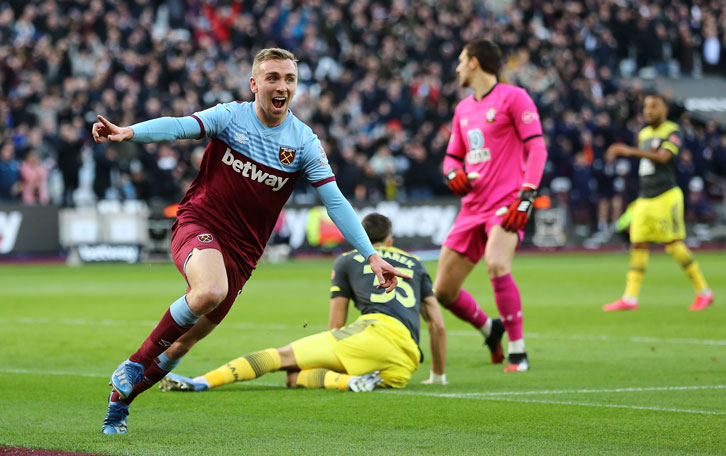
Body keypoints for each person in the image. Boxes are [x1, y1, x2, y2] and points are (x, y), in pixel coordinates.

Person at [92, 48, 409, 435]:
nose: (282, 86)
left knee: (180, 347)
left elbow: (335, 201)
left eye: (289, 79)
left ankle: (118, 406)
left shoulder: (304, 143)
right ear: (254, 84)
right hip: (199, 222)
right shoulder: (231, 117)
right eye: (273, 77)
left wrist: (372, 255)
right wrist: (129, 132)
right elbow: (178, 126)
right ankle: (136, 362)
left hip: (243, 256)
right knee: (209, 290)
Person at [159, 213, 447, 394]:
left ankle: (202, 382)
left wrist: (333, 345)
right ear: (391, 239)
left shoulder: (348, 259)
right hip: (406, 362)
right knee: (295, 378)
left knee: (280, 358)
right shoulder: (415, 263)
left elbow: (336, 326)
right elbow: (437, 324)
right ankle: (350, 382)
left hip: (374, 335)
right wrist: (437, 376)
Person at [436, 39, 548, 372]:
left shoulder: (514, 97)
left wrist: (526, 196)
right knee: (443, 290)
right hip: (471, 208)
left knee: (497, 264)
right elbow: (452, 157)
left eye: (459, 60)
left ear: (473, 62)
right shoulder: (463, 109)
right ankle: (490, 329)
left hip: (507, 203)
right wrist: (453, 173)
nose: (456, 68)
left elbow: (537, 149)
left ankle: (518, 351)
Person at [603, 93, 713, 312]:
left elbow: (664, 158)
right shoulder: (644, 133)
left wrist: (627, 151)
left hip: (666, 196)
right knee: (638, 245)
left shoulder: (672, 131)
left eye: (654, 106)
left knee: (673, 246)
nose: (648, 111)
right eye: (646, 107)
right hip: (645, 197)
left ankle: (704, 292)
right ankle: (630, 298)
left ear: (664, 109)